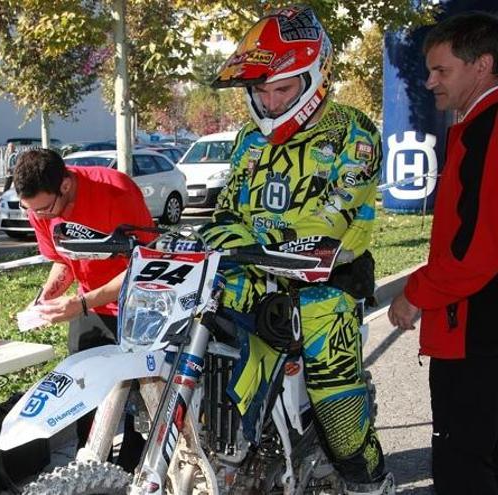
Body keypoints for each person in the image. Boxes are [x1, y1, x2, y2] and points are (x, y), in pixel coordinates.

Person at [207, 6, 392, 494]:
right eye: (260, 90)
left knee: (339, 415)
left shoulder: (355, 132)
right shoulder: (248, 139)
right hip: (252, 279)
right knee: (203, 357)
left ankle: (371, 481)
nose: (268, 101)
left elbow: (327, 224)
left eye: (281, 89)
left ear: (315, 77)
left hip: (324, 289)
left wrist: (248, 243)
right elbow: (227, 213)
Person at [387, 12, 498, 494]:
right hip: (476, 329)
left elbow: (477, 249)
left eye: (442, 71)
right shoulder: (475, 126)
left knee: (465, 464)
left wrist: (415, 294)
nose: (430, 81)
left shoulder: (488, 129)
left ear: (483, 65)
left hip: (480, 336)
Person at [13, 148, 153, 471]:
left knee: (137, 409)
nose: (41, 217)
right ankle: (89, 472)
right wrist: (46, 296)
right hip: (89, 308)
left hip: (137, 307)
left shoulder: (116, 191)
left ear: (65, 185)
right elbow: (63, 259)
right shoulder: (40, 205)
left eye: (45, 210)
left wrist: (84, 302)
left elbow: (144, 263)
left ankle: (135, 475)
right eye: (31, 211)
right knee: (82, 399)